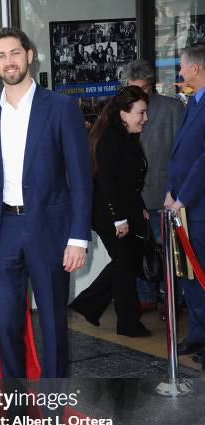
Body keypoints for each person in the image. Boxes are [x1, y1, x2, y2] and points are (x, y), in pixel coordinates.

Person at [0, 28, 92, 425]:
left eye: (14, 53)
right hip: (4, 229)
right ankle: (14, 413)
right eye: (0, 55)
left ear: (30, 56)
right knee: (6, 325)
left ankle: (56, 413)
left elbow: (80, 178)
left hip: (49, 231)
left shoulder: (60, 108)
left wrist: (78, 237)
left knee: (53, 326)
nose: (8, 61)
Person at [70, 86, 151, 337]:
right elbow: (107, 182)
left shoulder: (126, 136)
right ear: (124, 113)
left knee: (125, 263)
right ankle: (127, 323)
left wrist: (141, 209)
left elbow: (129, 182)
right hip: (110, 215)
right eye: (141, 112)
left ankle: (88, 304)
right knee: (125, 265)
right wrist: (120, 219)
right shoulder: (112, 138)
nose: (145, 118)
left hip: (124, 212)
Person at [124, 59, 185, 314]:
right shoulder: (120, 107)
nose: (137, 93)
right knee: (138, 250)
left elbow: (182, 152)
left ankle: (170, 298)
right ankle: (145, 296)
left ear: (151, 85)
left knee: (167, 253)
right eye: (131, 88)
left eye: (142, 88)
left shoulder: (172, 108)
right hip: (133, 196)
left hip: (164, 195)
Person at [165, 44, 205, 362]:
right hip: (183, 206)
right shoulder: (194, 101)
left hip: (198, 207)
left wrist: (183, 197)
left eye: (182, 66)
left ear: (195, 68)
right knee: (188, 275)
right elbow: (180, 154)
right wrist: (170, 191)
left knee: (202, 273)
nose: (180, 73)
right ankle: (198, 335)